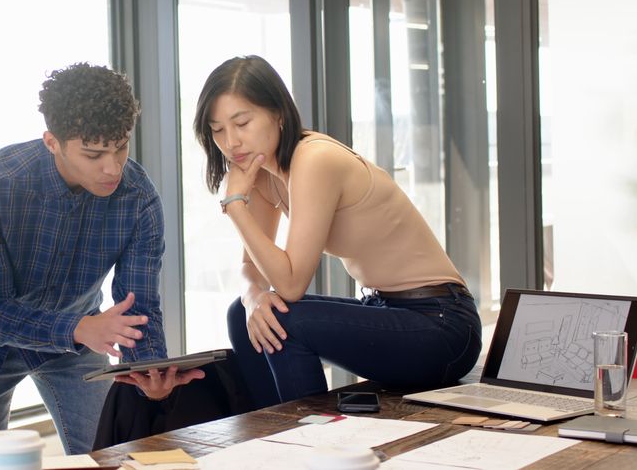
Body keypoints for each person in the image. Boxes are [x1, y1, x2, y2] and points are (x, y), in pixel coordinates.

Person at [192, 55, 482, 408]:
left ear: (278, 113)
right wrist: (253, 296)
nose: (231, 142)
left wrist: (234, 204)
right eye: (218, 129)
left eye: (242, 123)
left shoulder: (315, 159)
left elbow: (291, 284)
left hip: (441, 325)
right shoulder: (264, 174)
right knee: (243, 314)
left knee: (286, 319)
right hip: (384, 309)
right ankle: (272, 435)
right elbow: (250, 268)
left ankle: (316, 439)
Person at [0, 62, 203, 457]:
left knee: (114, 456)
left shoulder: (138, 198)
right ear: (52, 142)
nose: (112, 167)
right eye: (94, 154)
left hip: (77, 340)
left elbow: (139, 305)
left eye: (121, 147)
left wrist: (148, 370)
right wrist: (79, 328)